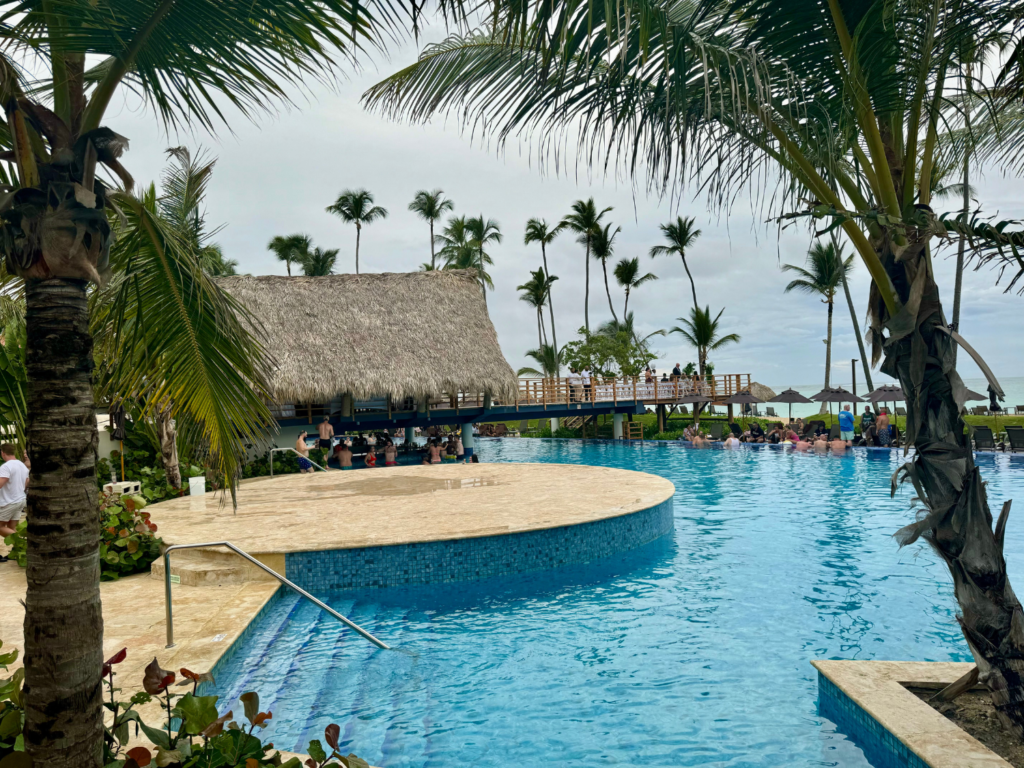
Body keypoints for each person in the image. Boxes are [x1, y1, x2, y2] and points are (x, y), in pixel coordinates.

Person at [0, 444, 28, 561]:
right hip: (20, 500)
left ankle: (25, 545)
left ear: (3, 453)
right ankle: (18, 552)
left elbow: (1, 483)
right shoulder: (22, 466)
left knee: (0, 527)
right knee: (12, 527)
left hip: (8, 502)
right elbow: (27, 482)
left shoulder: (6, 467)